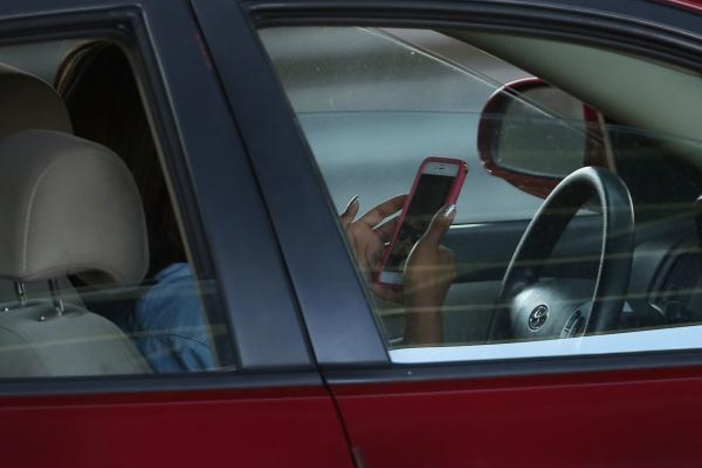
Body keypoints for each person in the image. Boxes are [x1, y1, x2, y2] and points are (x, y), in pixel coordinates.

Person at [55, 41, 457, 372]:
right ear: (181, 160)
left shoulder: (130, 293)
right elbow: (381, 427)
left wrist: (323, 271)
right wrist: (425, 306)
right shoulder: (199, 314)